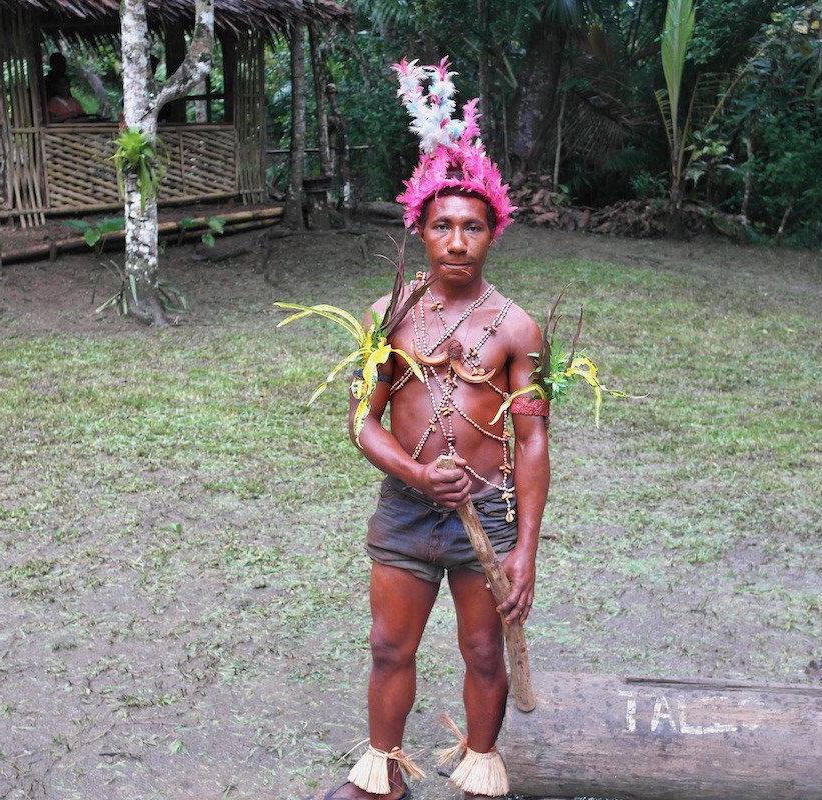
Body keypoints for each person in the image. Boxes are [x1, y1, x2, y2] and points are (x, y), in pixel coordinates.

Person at [308, 57, 548, 800]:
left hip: (491, 517)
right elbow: (363, 419)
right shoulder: (393, 313)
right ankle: (381, 775)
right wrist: (413, 474)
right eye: (441, 225)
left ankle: (481, 768)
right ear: (419, 226)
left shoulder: (515, 327)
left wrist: (528, 550)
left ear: (492, 233)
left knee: (483, 648)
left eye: (471, 226)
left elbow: (534, 438)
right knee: (388, 645)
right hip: (407, 511)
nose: (455, 240)